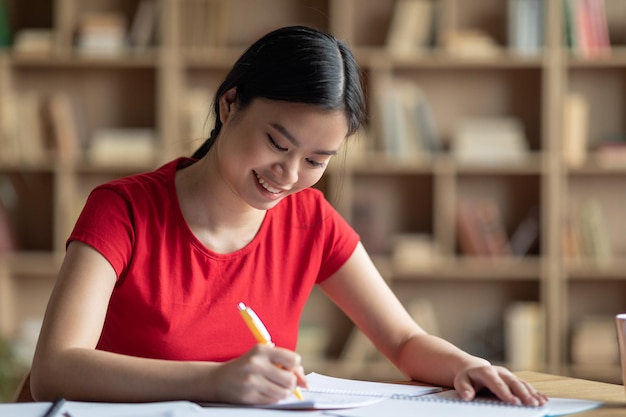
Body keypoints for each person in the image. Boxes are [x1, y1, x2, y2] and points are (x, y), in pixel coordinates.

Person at [30, 25, 547, 407]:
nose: (289, 174)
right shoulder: (124, 210)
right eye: (278, 142)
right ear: (230, 105)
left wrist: (470, 367)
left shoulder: (309, 220)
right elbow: (54, 368)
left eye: (317, 161)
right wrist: (211, 380)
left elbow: (404, 340)